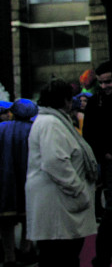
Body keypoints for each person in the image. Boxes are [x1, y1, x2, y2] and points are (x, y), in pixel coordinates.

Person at [25, 79, 98, 267]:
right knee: (60, 257)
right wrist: (79, 190)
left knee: (62, 256)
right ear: (64, 100)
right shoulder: (50, 123)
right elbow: (55, 162)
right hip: (57, 208)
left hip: (58, 205)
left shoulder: (52, 120)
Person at [82, 60, 112, 267]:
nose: (104, 87)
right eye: (101, 83)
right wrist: (105, 153)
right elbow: (89, 134)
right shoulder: (96, 102)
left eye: (108, 82)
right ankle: (102, 259)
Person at [0, 99, 38, 266]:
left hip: (4, 181)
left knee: (5, 221)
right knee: (28, 218)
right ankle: (26, 250)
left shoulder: (1, 128)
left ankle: (9, 257)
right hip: (29, 181)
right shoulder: (35, 130)